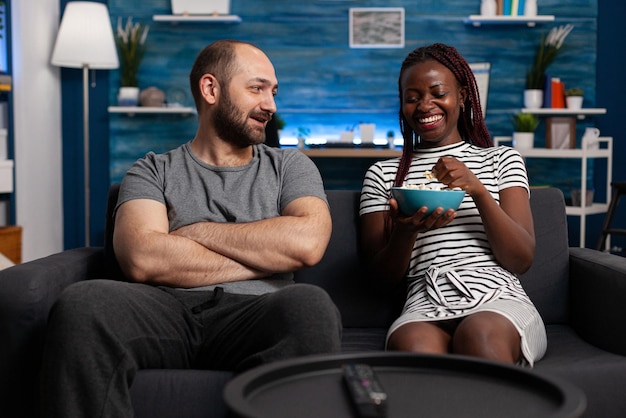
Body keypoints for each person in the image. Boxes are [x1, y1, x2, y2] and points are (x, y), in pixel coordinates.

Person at [41, 40, 342, 416]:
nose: (271, 105)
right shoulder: (151, 170)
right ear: (211, 89)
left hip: (258, 312)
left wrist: (197, 232)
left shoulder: (289, 167)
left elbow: (309, 243)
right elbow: (143, 259)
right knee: (84, 303)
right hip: (166, 310)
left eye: (273, 92)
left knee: (311, 306)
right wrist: (271, 257)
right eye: (257, 88)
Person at [359, 43, 547, 366]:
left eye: (437, 92)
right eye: (412, 97)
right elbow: (378, 280)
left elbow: (521, 258)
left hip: (499, 300)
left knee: (480, 335)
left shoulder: (501, 160)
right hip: (424, 301)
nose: (424, 105)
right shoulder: (383, 174)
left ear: (461, 95)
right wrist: (405, 232)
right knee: (413, 345)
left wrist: (477, 190)